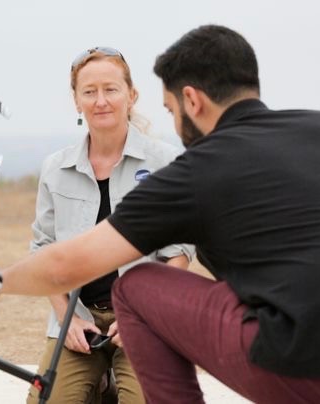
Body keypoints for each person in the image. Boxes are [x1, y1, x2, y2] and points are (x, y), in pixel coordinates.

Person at [0, 25, 320, 403]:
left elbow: (68, 262)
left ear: (191, 100)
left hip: (315, 375)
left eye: (170, 110)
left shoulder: (197, 168)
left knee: (136, 286)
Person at [25, 47, 194, 404]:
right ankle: (99, 385)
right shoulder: (55, 169)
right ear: (76, 101)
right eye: (89, 91)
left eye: (111, 89)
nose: (100, 101)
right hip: (77, 321)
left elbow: (179, 252)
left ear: (131, 95)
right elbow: (43, 250)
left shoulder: (167, 161)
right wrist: (65, 318)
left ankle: (112, 387)